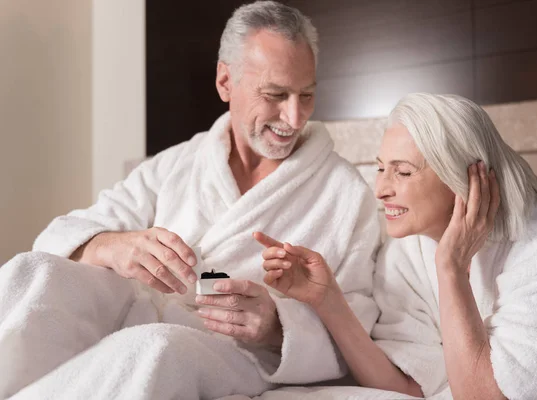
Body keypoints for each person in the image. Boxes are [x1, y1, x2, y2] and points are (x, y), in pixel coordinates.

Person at [0, 2, 381, 399]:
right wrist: (112, 245)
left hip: (235, 353)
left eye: (306, 94)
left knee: (152, 349)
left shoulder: (347, 194)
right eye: (275, 94)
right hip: (134, 315)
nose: (294, 116)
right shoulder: (176, 164)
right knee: (32, 271)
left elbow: (360, 319)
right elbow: (64, 234)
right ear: (225, 82)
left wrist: (277, 327)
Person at [257, 93, 537, 399]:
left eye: (402, 172)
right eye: (380, 169)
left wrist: (451, 268)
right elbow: (409, 384)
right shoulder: (410, 247)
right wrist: (327, 300)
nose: (381, 190)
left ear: (463, 176)